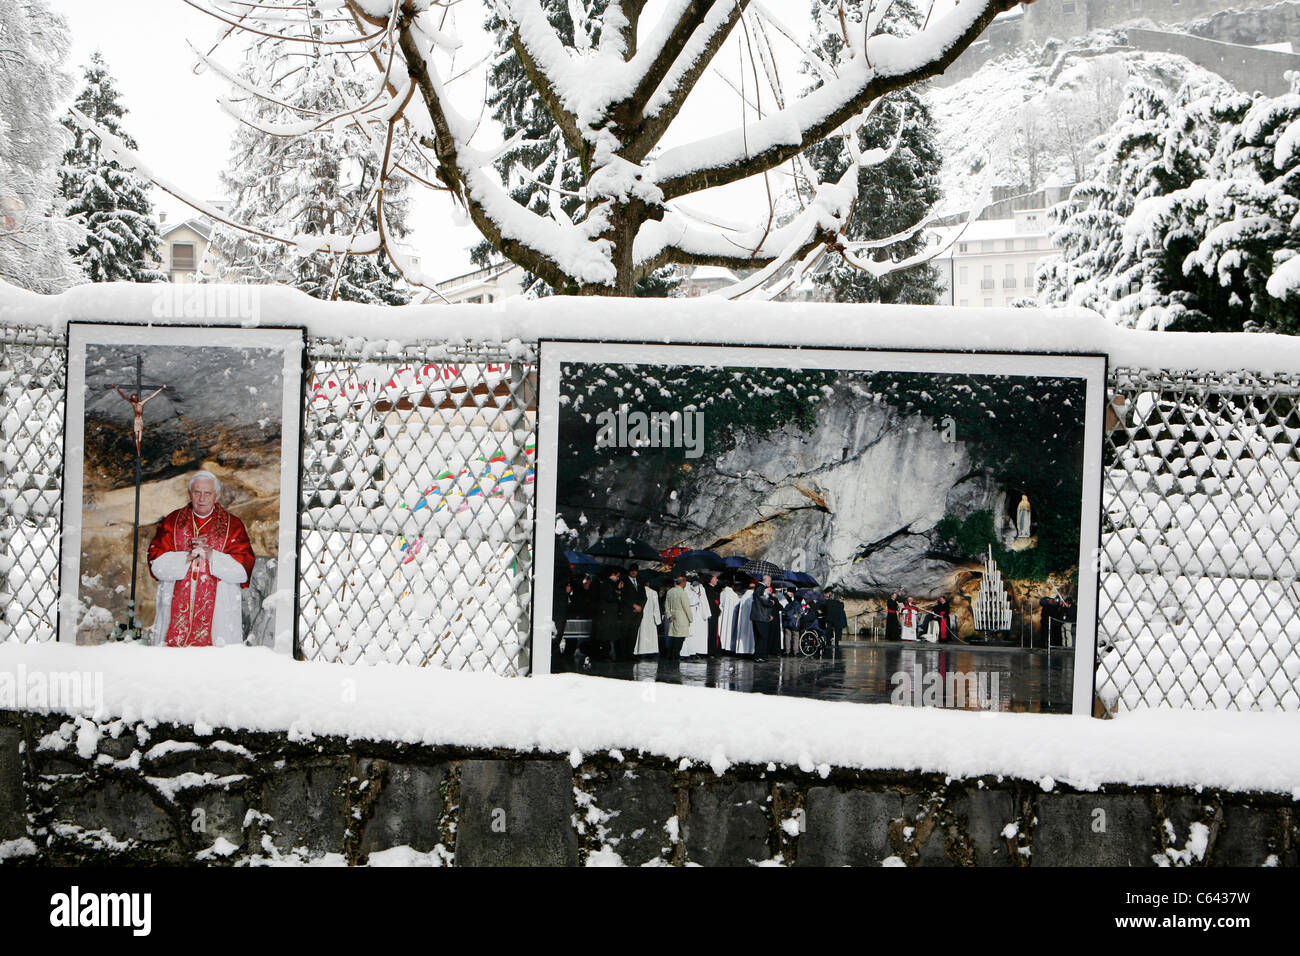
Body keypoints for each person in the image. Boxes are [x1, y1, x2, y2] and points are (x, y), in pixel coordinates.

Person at [147, 470, 255, 647]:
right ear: (190, 494)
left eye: (207, 493)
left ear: (217, 495)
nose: (202, 498)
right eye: (197, 492)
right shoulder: (173, 522)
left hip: (217, 615)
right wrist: (186, 557)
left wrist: (212, 555)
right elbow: (155, 563)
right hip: (175, 610)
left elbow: (243, 569)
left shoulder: (233, 525)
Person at [113, 384, 167, 455]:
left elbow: (151, 396)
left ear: (137, 397)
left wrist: (161, 388)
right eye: (133, 397)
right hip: (136, 420)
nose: (134, 398)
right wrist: (116, 389)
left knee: (140, 438)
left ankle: (139, 451)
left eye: (135, 397)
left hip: (140, 420)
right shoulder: (133, 404)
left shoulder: (141, 403)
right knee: (136, 437)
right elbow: (124, 397)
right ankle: (138, 452)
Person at [663, 572, 693, 660]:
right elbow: (686, 607)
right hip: (681, 617)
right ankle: (675, 657)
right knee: (679, 639)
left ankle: (670, 655)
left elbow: (666, 605)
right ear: (683, 582)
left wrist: (669, 615)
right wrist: (690, 619)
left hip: (672, 617)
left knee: (672, 638)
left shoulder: (669, 591)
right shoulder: (682, 593)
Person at [750, 574, 778, 661]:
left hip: (756, 616)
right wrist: (772, 602)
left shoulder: (757, 588)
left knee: (758, 637)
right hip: (762, 617)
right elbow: (765, 601)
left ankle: (758, 655)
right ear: (765, 581)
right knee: (763, 636)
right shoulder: (763, 588)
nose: (770, 583)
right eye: (769, 581)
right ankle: (760, 656)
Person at [682, 574, 709, 658]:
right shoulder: (686, 588)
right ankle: (687, 653)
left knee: (692, 634)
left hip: (695, 613)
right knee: (689, 634)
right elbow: (690, 601)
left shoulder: (694, 587)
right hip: (690, 612)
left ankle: (692, 651)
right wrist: (697, 596)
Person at [633, 577, 662, 656]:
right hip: (650, 618)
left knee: (641, 634)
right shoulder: (653, 592)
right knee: (650, 635)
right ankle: (650, 651)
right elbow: (656, 608)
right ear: (648, 583)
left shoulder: (637, 592)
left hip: (640, 616)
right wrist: (658, 620)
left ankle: (639, 651)